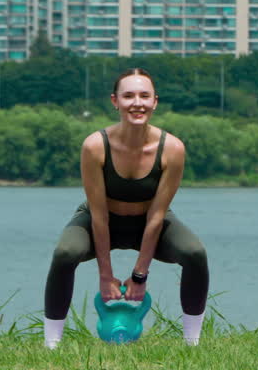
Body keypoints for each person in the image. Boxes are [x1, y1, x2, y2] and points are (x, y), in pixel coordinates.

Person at [42, 67, 209, 348]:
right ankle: (51, 345)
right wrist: (105, 276)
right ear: (115, 101)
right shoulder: (95, 146)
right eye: (128, 96)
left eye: (145, 96)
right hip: (101, 218)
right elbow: (99, 215)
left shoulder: (172, 148)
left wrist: (139, 276)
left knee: (195, 253)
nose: (137, 103)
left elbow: (156, 216)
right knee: (64, 253)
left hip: (149, 220)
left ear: (155, 101)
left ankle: (192, 342)